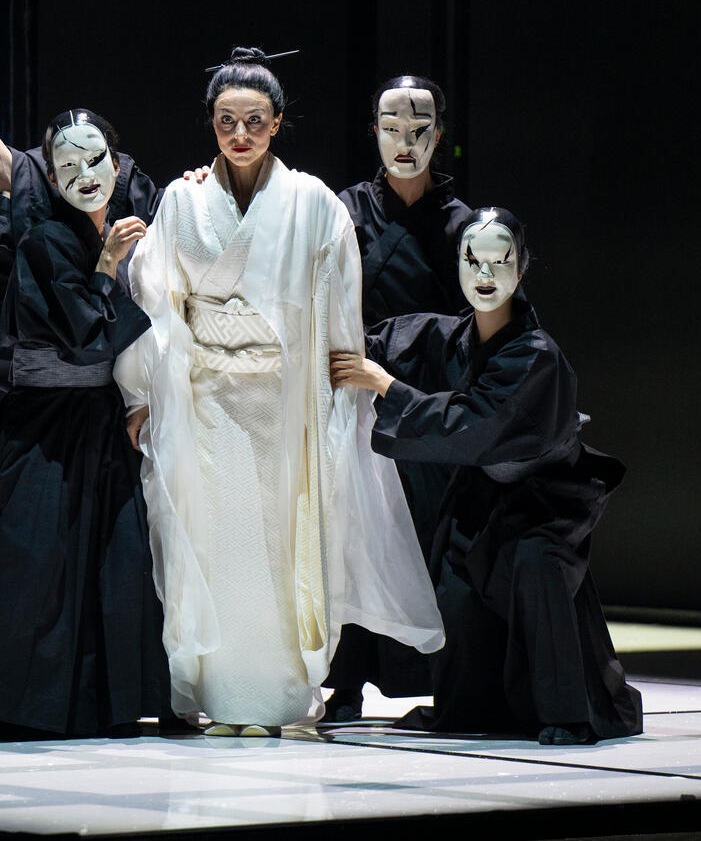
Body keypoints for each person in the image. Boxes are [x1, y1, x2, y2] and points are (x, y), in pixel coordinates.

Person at [115, 48, 444, 737]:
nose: (240, 134)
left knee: (279, 547)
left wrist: (338, 400)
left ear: (278, 122)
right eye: (226, 120)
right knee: (210, 546)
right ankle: (217, 692)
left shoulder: (313, 202)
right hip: (204, 402)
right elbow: (153, 298)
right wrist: (141, 393)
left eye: (255, 121)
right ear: (211, 122)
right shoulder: (182, 199)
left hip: (283, 403)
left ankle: (279, 697)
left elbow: (338, 305)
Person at [329, 207, 643, 744]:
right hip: (485, 497)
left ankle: (568, 713)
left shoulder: (537, 355)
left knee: (536, 564)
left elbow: (475, 424)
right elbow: (371, 342)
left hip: (546, 503)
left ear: (522, 268)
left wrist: (385, 386)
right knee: (455, 584)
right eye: (473, 260)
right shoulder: (450, 337)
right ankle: (468, 710)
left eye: (501, 261)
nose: (485, 274)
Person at [0, 108, 170, 742]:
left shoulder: (105, 174)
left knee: (117, 554)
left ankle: (107, 703)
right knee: (20, 552)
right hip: (47, 403)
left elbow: (165, 249)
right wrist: (33, 362)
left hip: (113, 400)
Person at [324, 75, 474, 722]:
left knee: (435, 544)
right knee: (356, 540)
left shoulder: (463, 226)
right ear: (375, 133)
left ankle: (449, 686)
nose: (404, 143)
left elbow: (478, 326)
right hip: (357, 402)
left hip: (430, 405)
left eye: (419, 130)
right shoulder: (345, 211)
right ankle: (345, 686)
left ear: (440, 135)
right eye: (391, 130)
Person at [0, 78, 158, 383]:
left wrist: (194, 189)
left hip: (151, 358)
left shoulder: (77, 160)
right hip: (74, 396)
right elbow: (0, 354)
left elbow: (161, 226)